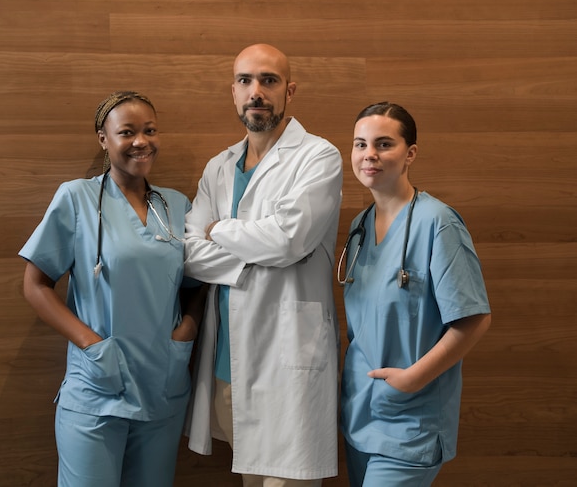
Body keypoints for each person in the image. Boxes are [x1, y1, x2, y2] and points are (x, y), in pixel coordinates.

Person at [19, 90, 205, 487]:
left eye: (150, 130)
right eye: (127, 132)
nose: (142, 141)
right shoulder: (77, 198)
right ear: (104, 139)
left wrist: (187, 327)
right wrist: (90, 344)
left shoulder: (177, 205)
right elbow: (35, 285)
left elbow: (197, 281)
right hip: (97, 388)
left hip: (162, 387)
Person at [183, 43, 343, 486]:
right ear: (233, 92)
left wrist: (219, 231)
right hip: (227, 366)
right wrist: (255, 254)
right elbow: (188, 252)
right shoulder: (219, 167)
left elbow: (289, 239)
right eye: (245, 81)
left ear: (289, 90)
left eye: (269, 81)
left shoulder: (318, 157)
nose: (257, 91)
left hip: (288, 358)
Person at [338, 102, 492, 486]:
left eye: (384, 144)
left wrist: (412, 379)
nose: (369, 155)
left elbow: (473, 320)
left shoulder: (437, 223)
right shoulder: (360, 227)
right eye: (360, 144)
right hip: (361, 411)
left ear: (410, 154)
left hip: (411, 418)